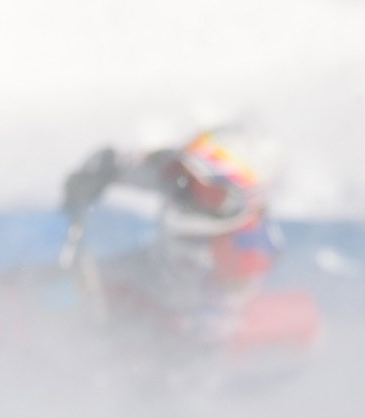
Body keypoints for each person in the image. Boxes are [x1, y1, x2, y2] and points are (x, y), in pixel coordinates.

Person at [60, 129, 280, 344]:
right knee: (72, 288)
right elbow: (127, 163)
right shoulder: (179, 179)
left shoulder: (245, 249)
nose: (194, 191)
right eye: (191, 178)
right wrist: (97, 173)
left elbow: (215, 328)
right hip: (149, 270)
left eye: (213, 190)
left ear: (240, 200)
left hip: (173, 317)